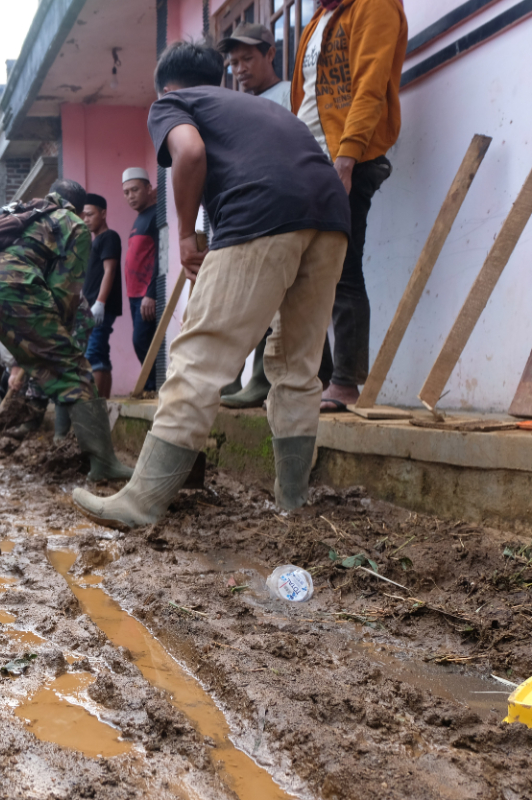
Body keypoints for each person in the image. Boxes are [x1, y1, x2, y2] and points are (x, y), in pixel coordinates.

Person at [73, 41, 350, 528]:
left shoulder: (172, 104)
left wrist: (183, 233)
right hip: (329, 217)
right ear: (219, 78)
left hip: (258, 213)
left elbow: (190, 152)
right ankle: (292, 502)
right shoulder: (259, 107)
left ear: (166, 87)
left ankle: (140, 503)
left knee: (199, 358)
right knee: (298, 366)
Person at [0, 179, 132, 482]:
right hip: (10, 282)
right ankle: (104, 465)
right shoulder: (71, 223)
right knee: (72, 369)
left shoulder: (19, 212)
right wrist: (54, 344)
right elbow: (63, 292)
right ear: (76, 205)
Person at [293, 0, 407, 412]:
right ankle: (320, 379)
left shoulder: (375, 6)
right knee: (304, 273)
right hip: (309, 157)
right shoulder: (318, 19)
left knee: (342, 267)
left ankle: (344, 382)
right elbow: (305, 95)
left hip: (346, 159)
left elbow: (371, 84)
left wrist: (347, 157)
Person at [217, 22, 294, 409]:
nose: (240, 68)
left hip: (281, 210)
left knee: (274, 299)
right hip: (247, 213)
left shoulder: (289, 96)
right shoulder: (236, 105)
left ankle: (261, 379)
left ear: (270, 53)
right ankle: (231, 379)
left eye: (248, 58)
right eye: (233, 63)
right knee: (239, 300)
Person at [121, 168, 160, 392]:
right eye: (126, 192)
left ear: (148, 189)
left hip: (147, 294)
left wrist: (151, 293)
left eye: (135, 190)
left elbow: (160, 256)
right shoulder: (139, 219)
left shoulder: (156, 215)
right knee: (140, 342)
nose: (130, 196)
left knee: (142, 341)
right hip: (134, 294)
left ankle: (153, 386)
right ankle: (150, 386)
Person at [80, 193, 122, 399]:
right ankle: (102, 402)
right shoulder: (94, 242)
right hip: (92, 306)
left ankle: (95, 405)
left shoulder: (109, 237)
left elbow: (110, 270)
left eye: (90, 214)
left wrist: (100, 302)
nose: (86, 219)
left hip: (100, 307)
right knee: (100, 354)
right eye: (83, 215)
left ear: (103, 213)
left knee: (93, 354)